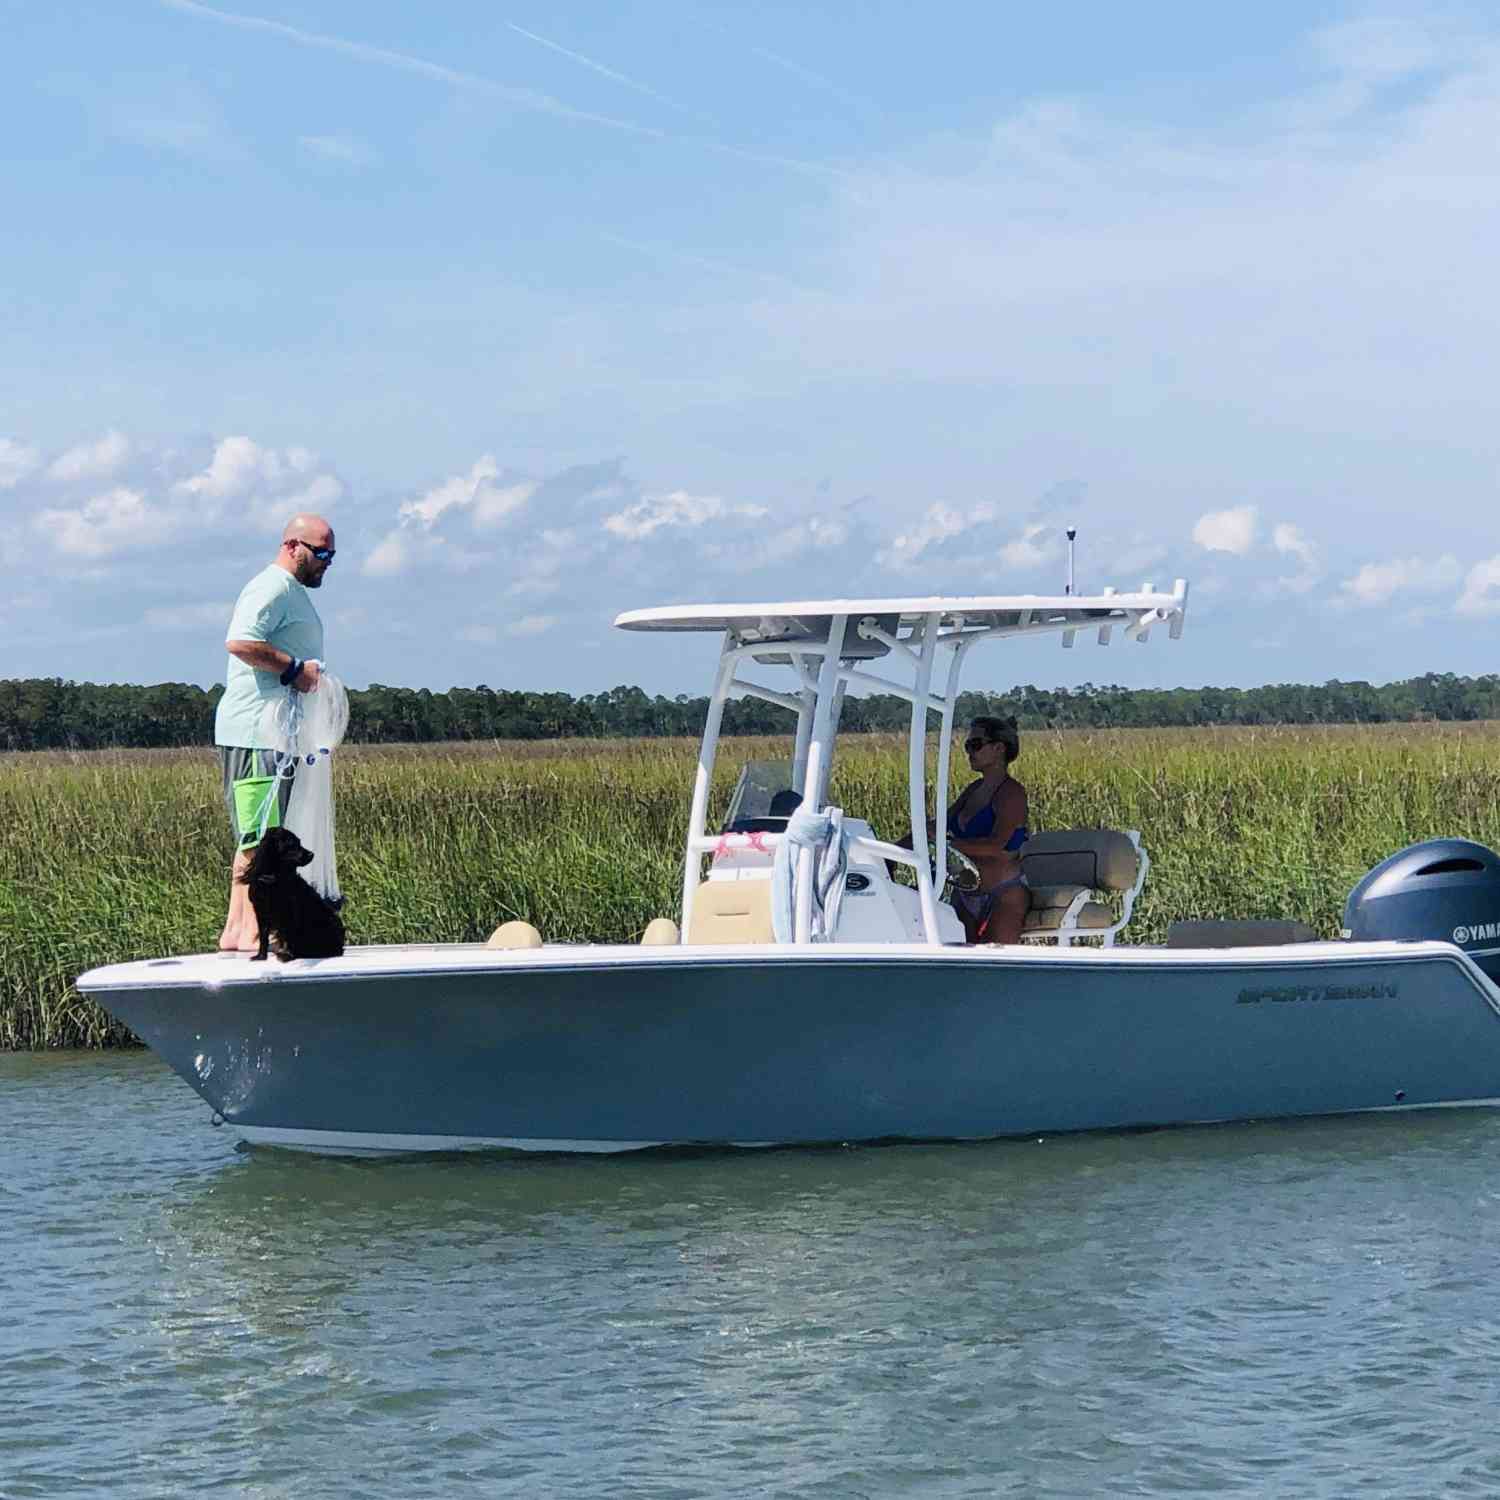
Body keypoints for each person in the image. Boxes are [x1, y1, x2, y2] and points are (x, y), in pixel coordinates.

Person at [214, 515, 336, 953]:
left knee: (259, 833)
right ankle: (248, 933)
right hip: (255, 733)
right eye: (321, 553)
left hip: (277, 736)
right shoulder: (271, 587)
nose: (327, 562)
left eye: (331, 555)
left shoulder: (292, 593)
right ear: (292, 546)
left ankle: (236, 930)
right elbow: (241, 642)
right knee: (259, 836)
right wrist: (292, 669)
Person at [943, 716, 1030, 944]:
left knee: (999, 967)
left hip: (1003, 893)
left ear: (999, 748)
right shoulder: (973, 790)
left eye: (976, 745)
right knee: (960, 968)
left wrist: (949, 846)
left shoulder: (1012, 793)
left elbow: (996, 845)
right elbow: (937, 826)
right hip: (965, 892)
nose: (969, 752)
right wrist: (890, 852)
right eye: (967, 746)